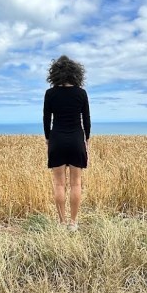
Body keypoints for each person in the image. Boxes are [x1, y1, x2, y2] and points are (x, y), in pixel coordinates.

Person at [43, 55, 91, 229]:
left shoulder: (50, 93)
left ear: (55, 73)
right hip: (76, 139)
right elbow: (86, 120)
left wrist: (48, 139)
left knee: (59, 184)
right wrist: (86, 140)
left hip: (57, 139)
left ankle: (62, 222)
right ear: (76, 73)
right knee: (76, 184)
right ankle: (73, 223)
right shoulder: (81, 93)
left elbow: (46, 119)